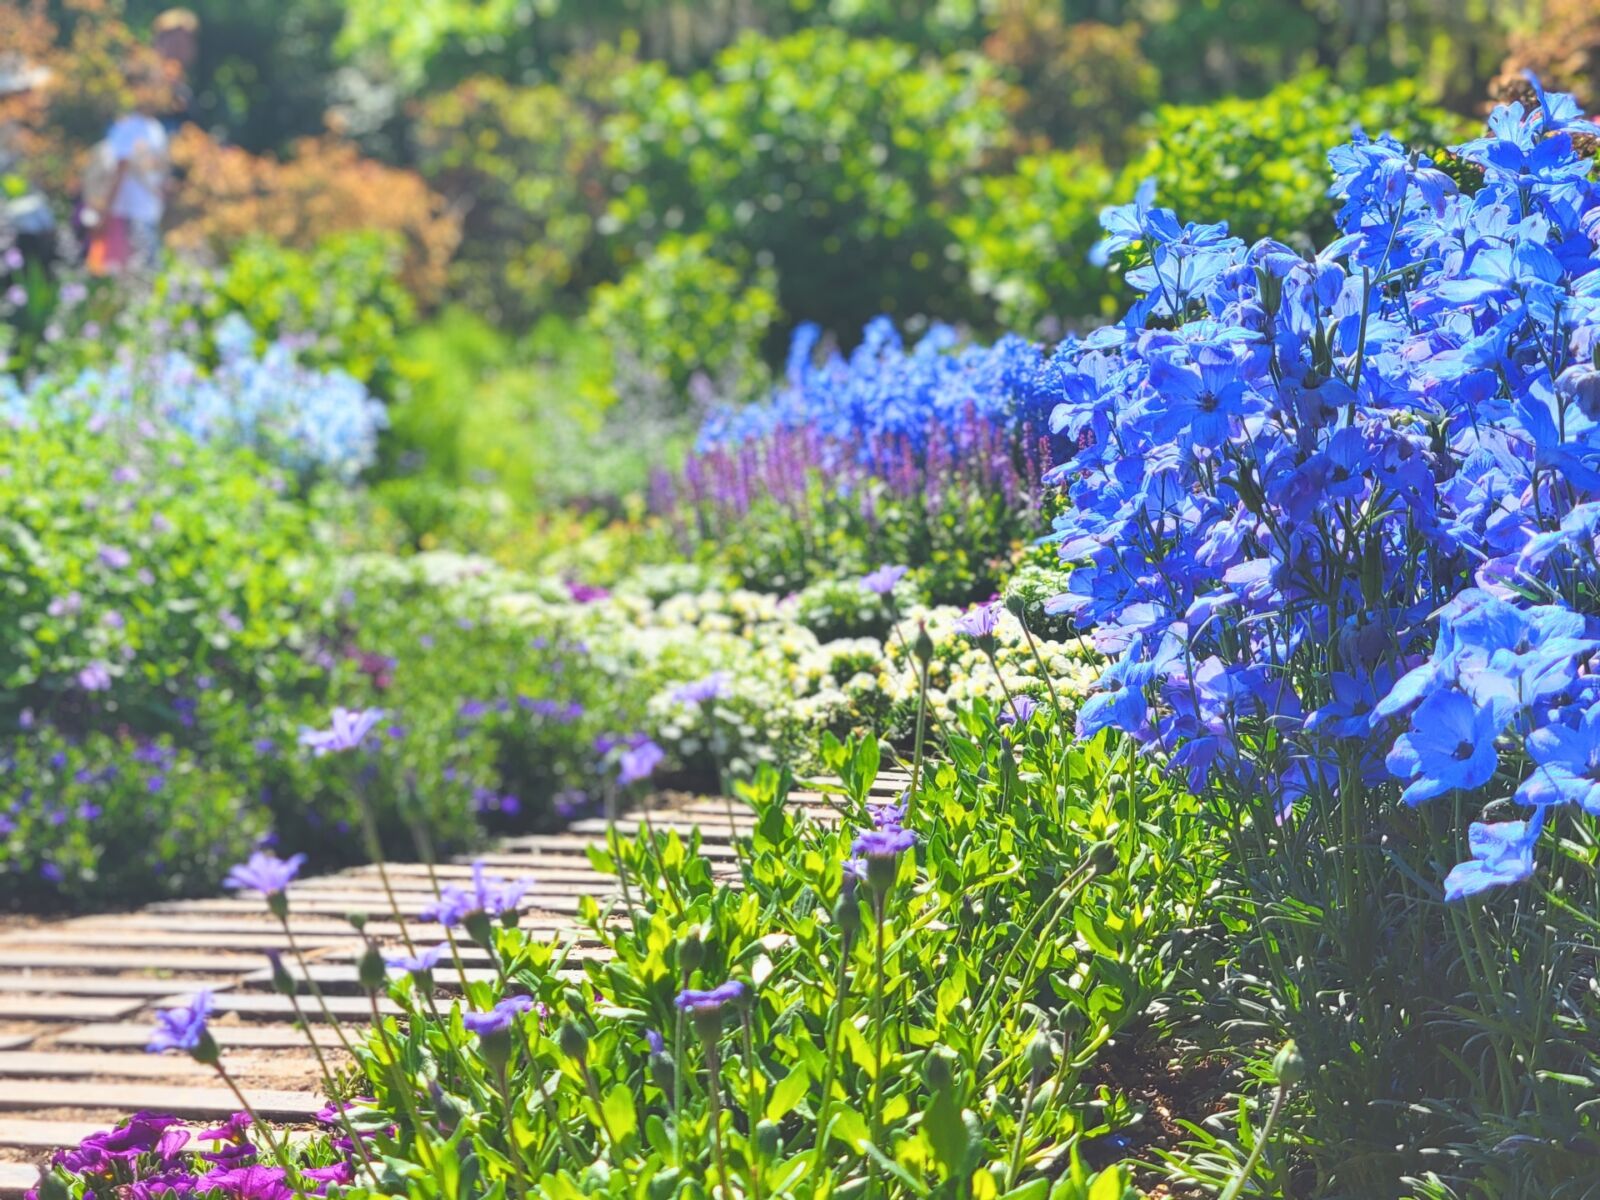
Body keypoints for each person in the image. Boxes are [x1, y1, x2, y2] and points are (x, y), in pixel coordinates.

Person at [84, 62, 171, 275]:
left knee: (135, 277)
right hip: (128, 212)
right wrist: (105, 213)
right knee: (132, 277)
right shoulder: (132, 128)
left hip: (141, 212)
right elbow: (119, 171)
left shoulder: (149, 128)